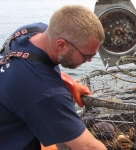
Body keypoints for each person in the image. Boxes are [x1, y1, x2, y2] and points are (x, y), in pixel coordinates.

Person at [0, 4, 107, 150]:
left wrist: (68, 81)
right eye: (86, 56)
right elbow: (89, 147)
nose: (89, 61)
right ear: (61, 45)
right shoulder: (47, 93)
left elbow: (33, 64)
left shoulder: (32, 31)